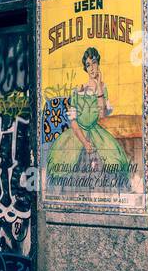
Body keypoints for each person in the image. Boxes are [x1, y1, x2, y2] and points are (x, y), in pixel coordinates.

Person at [46, 47, 131, 185]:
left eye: (94, 63)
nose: (92, 68)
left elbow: (102, 114)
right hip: (77, 133)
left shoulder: (103, 90)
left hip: (96, 131)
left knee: (115, 161)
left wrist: (99, 87)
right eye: (88, 65)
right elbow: (73, 122)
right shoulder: (78, 91)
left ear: (98, 64)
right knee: (60, 163)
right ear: (85, 68)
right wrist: (85, 142)